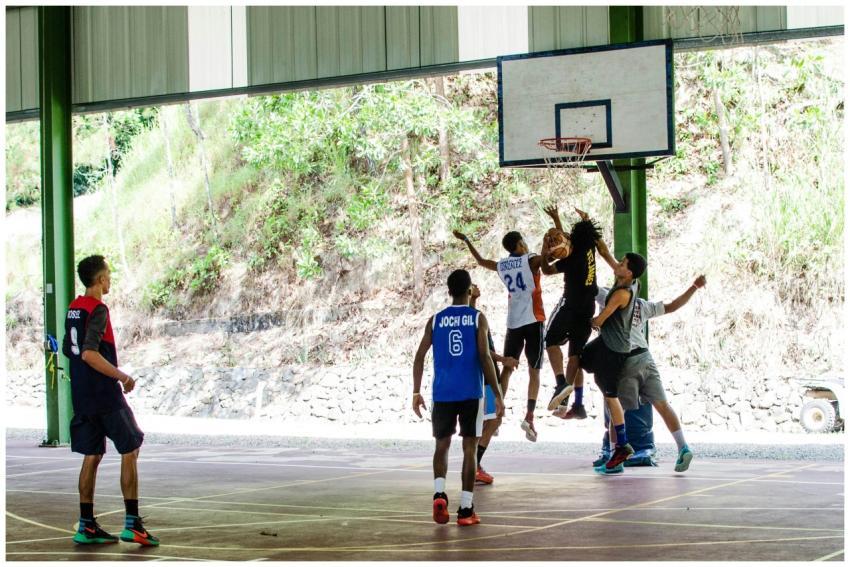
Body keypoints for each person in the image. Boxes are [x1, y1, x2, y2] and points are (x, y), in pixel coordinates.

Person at [62, 255, 159, 546]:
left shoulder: (74, 308)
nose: (110, 280)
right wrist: (123, 377)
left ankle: (86, 525)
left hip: (81, 394)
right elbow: (89, 353)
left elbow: (69, 349)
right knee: (131, 447)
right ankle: (133, 524)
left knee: (92, 455)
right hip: (103, 394)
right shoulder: (98, 309)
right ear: (101, 279)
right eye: (108, 275)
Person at [412, 269, 505, 526]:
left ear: (449, 291)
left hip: (442, 393)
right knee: (469, 448)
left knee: (441, 445)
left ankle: (439, 493)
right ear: (469, 290)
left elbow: (419, 356)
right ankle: (465, 509)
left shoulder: (435, 320)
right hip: (470, 392)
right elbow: (485, 357)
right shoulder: (477, 318)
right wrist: (497, 393)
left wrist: (416, 392)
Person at [593, 275, 707, 474]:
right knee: (663, 405)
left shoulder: (607, 297)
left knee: (617, 410)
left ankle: (614, 459)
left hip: (626, 361)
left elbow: (588, 286)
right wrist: (694, 287)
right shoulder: (642, 305)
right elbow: (672, 306)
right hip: (646, 358)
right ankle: (683, 447)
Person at [453, 230, 545, 442]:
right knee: (534, 371)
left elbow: (480, 261)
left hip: (513, 322)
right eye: (524, 242)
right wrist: (549, 242)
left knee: (507, 368)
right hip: (533, 319)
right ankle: (529, 417)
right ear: (520, 243)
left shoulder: (503, 265)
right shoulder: (530, 260)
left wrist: (466, 239)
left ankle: (495, 414)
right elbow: (546, 259)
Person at [540, 207, 615, 419]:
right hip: (588, 306)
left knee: (550, 340)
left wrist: (545, 251)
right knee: (575, 354)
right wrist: (559, 219)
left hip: (570, 305)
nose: (560, 238)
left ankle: (561, 383)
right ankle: (568, 400)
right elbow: (568, 240)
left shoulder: (569, 261)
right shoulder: (587, 244)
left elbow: (546, 270)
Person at [580, 252, 648, 471]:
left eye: (622, 263)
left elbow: (600, 320)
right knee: (579, 358)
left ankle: (623, 444)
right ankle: (574, 401)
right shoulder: (632, 281)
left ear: (628, 273)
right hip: (605, 344)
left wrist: (585, 320)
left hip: (614, 350)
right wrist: (600, 247)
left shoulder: (621, 293)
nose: (617, 264)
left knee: (611, 396)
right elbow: (613, 263)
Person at [469, 284, 519, 485]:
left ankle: (474, 465)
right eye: (471, 289)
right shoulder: (474, 318)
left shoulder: (473, 316)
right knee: (493, 420)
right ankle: (474, 465)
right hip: (483, 373)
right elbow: (481, 349)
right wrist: (503, 359)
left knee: (491, 420)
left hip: (487, 373)